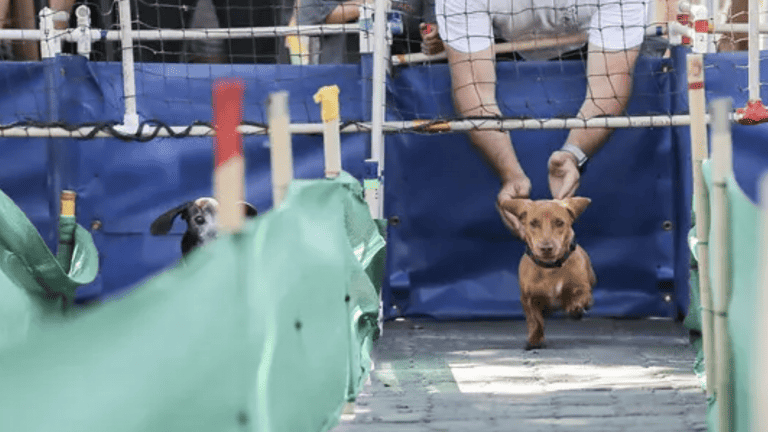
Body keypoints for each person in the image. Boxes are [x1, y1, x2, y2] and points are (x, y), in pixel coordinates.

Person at [431, 0, 647, 238]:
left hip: (587, 49)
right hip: (504, 48)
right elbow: (473, 89)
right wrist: (510, 175)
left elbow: (609, 84)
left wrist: (573, 154)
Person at [296, 0, 440, 63]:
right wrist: (372, 3)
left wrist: (431, 35)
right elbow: (309, 15)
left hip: (409, 79)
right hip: (344, 75)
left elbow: (426, 25)